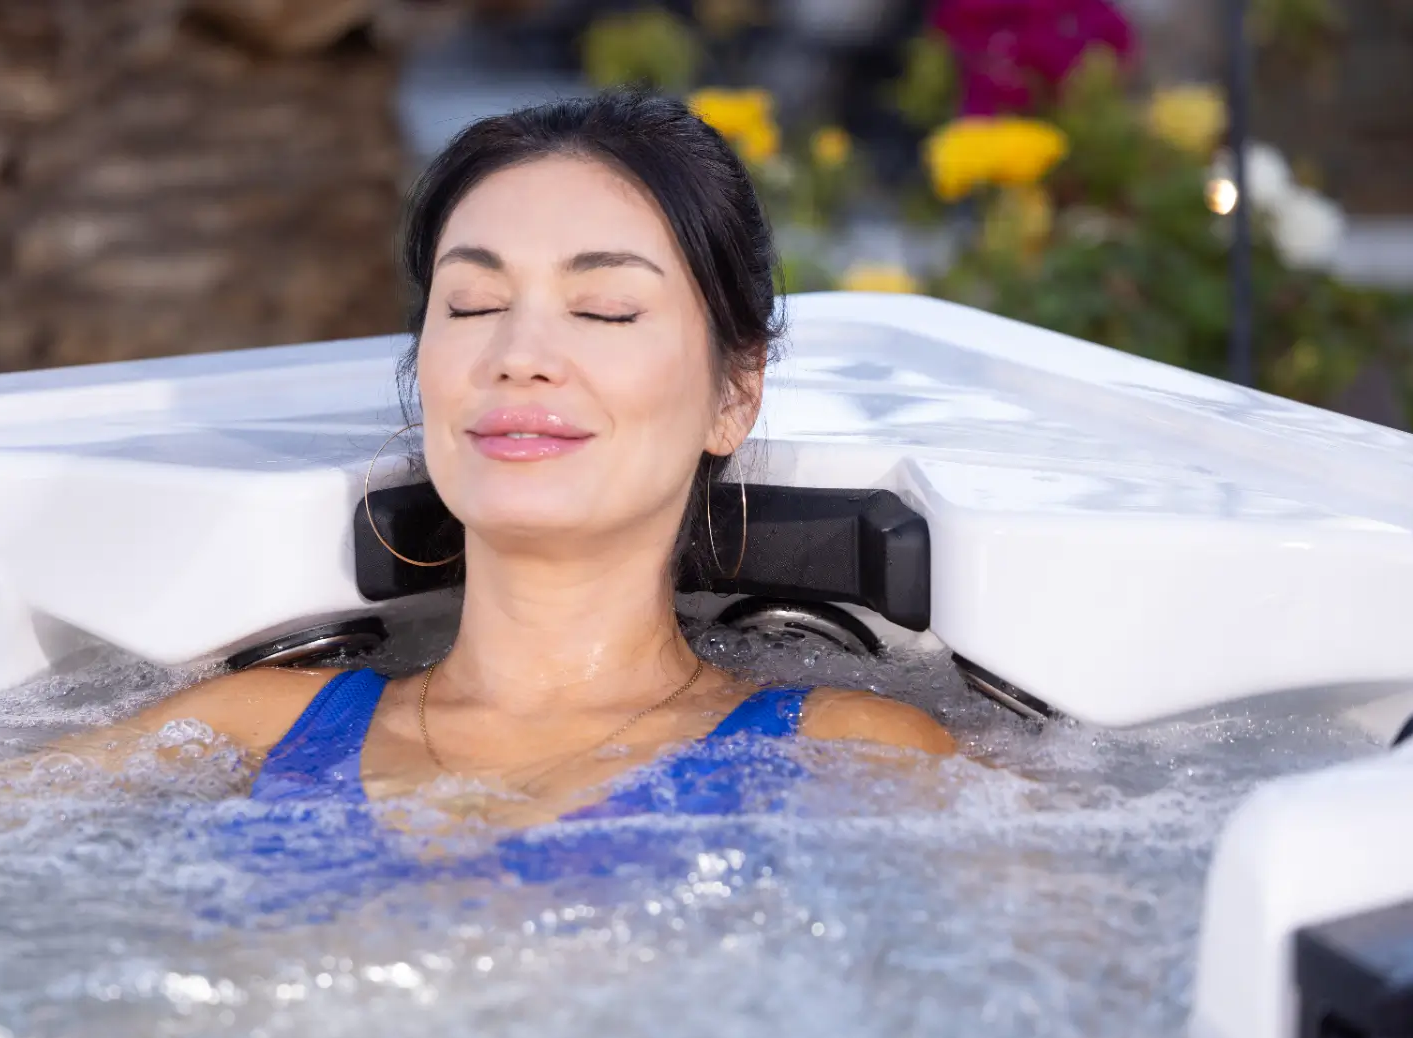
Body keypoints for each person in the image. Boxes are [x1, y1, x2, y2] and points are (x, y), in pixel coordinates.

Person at [54, 91, 953, 839]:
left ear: (734, 395)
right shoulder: (233, 732)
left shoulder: (854, 756)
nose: (520, 354)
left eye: (604, 309)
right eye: (474, 304)